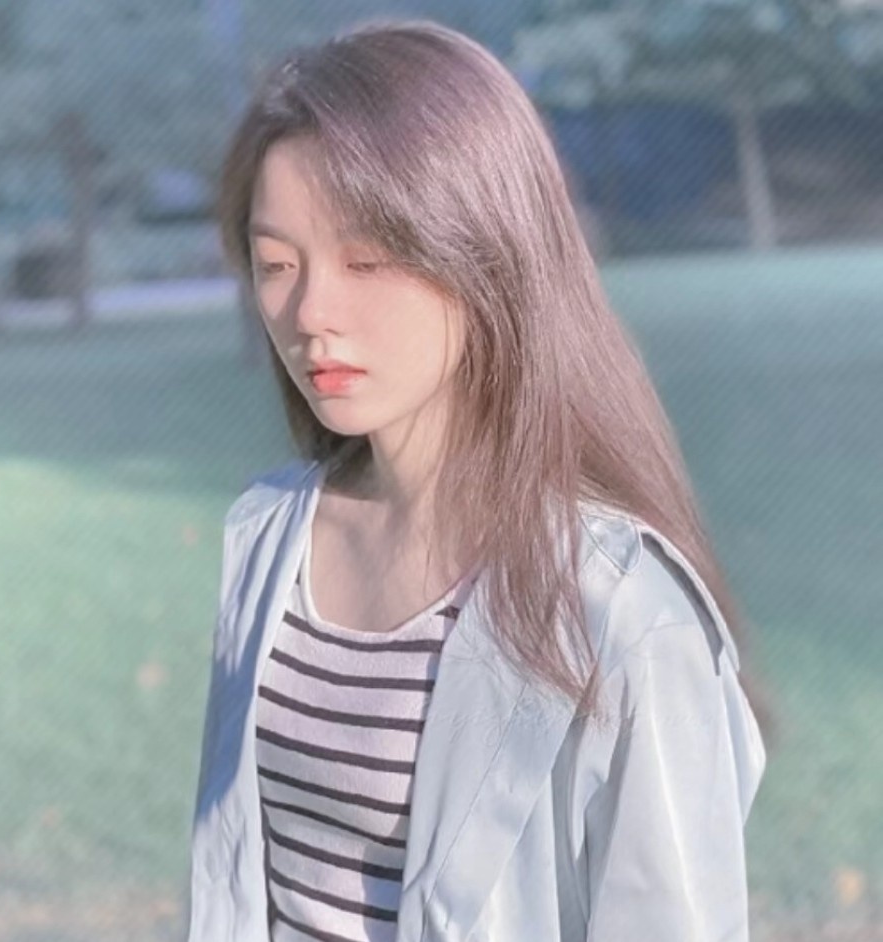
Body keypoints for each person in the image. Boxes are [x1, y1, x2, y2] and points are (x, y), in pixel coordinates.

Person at [187, 18, 772, 942]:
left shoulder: (623, 610)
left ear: (485, 254)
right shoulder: (266, 537)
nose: (312, 312)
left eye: (367, 260)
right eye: (276, 265)